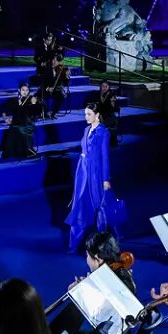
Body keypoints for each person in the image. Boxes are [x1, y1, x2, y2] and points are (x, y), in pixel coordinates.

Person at [66, 102, 112, 251]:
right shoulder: (86, 129)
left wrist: (106, 179)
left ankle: (102, 245)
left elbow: (105, 156)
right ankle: (74, 243)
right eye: (85, 114)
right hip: (82, 172)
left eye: (89, 114)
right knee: (78, 204)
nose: (86, 117)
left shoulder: (103, 132)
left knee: (99, 206)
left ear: (97, 115)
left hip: (96, 174)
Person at [0, 82, 41, 159]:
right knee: (11, 128)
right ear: (19, 90)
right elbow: (4, 109)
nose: (25, 92)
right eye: (23, 90)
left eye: (27, 90)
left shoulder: (31, 99)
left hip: (28, 124)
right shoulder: (15, 100)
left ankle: (27, 150)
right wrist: (6, 118)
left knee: (18, 129)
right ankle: (14, 152)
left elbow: (36, 113)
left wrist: (34, 104)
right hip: (17, 122)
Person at [87, 80, 119, 145]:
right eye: (103, 86)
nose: (104, 88)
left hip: (109, 114)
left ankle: (112, 140)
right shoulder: (96, 94)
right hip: (99, 114)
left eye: (106, 86)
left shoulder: (111, 95)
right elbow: (89, 103)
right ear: (100, 87)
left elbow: (115, 108)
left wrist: (113, 103)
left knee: (110, 121)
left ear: (108, 87)